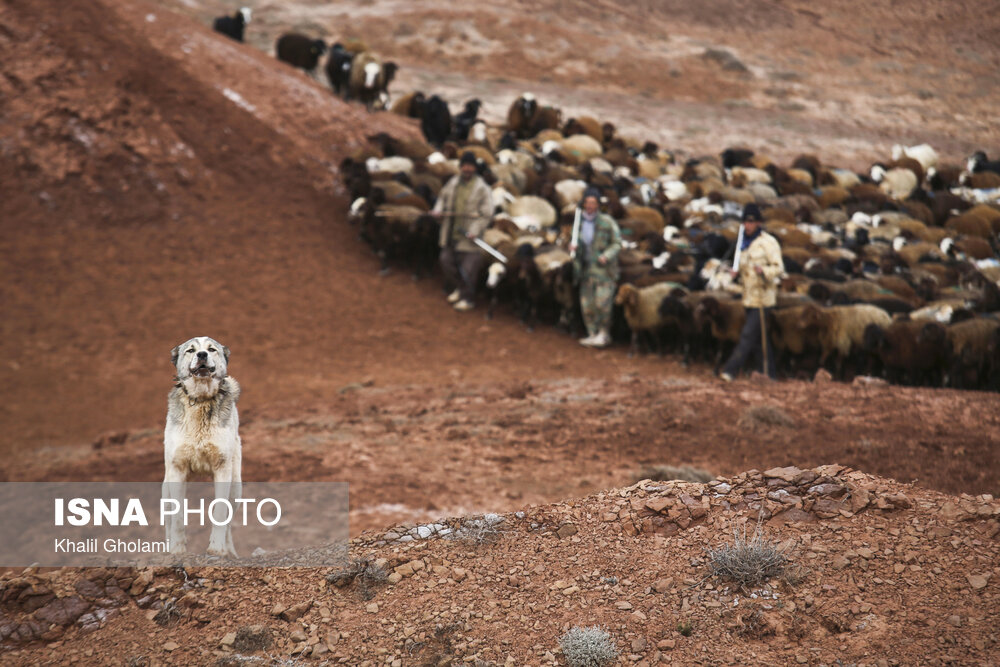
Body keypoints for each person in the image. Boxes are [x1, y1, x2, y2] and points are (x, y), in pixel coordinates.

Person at [720, 203, 784, 381]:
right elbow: (742, 267)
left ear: (758, 223)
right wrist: (736, 273)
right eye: (745, 222)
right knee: (759, 339)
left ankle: (730, 370)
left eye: (751, 222)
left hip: (763, 298)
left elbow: (778, 268)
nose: (748, 225)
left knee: (748, 334)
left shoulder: (768, 243)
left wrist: (764, 271)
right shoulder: (743, 244)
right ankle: (768, 373)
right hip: (748, 297)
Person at [432, 151, 493, 311]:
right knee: (446, 262)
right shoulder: (453, 183)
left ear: (475, 168)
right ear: (460, 167)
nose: (467, 169)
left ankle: (468, 298)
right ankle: (459, 289)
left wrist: (475, 230)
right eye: (464, 165)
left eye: (470, 166)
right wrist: (438, 211)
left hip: (470, 237)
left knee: (468, 270)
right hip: (451, 232)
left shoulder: (482, 188)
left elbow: (487, 213)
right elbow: (442, 198)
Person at [569, 187, 621, 348]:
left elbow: (617, 243)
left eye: (593, 203)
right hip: (585, 269)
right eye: (587, 202)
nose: (590, 206)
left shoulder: (607, 222)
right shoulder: (579, 222)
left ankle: (604, 333)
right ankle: (592, 333)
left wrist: (607, 255)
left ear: (598, 205)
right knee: (587, 304)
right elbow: (574, 242)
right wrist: (572, 249)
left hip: (604, 270)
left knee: (602, 303)